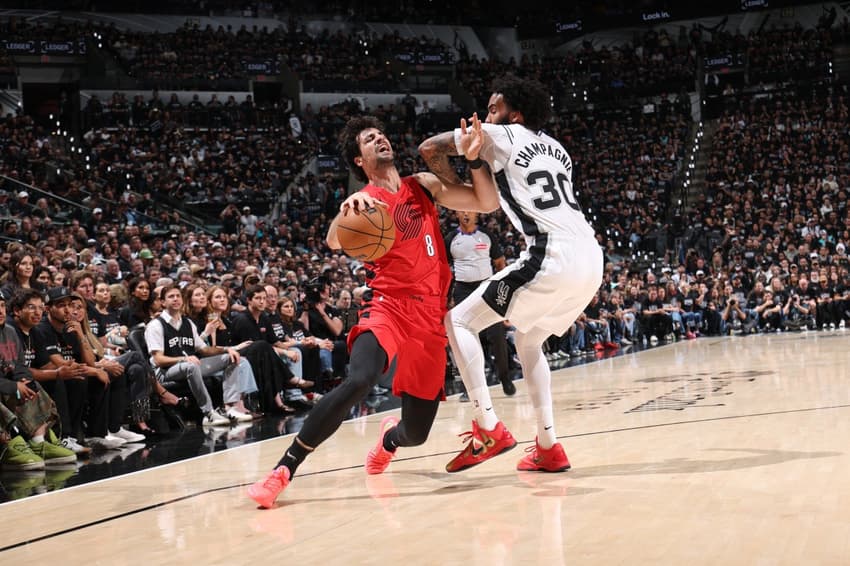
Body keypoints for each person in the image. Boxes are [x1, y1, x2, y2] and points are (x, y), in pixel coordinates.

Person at [248, 114, 499, 508]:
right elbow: (333, 240)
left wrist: (474, 160)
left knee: (415, 434)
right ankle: (282, 470)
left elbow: (486, 202)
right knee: (360, 379)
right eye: (369, 139)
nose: (380, 138)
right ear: (359, 161)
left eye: (381, 133)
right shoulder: (364, 201)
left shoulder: (424, 185)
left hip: (431, 319)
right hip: (388, 307)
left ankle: (388, 440)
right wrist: (346, 208)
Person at [419, 75, 603, 472]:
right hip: (591, 259)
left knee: (459, 321)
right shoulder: (557, 149)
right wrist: (473, 168)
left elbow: (429, 147)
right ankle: (549, 446)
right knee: (529, 338)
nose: (483, 118)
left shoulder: (499, 135)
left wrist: (454, 185)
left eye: (492, 109)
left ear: (513, 114)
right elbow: (493, 199)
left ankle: (488, 427)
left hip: (550, 255)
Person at [444, 210, 514, 399]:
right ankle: (470, 387)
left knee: (497, 335)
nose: (466, 213)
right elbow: (443, 268)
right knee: (466, 339)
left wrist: (500, 288)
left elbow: (500, 263)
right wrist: (448, 295)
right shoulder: (451, 238)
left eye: (470, 210)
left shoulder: (487, 235)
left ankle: (505, 378)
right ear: (457, 214)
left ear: (477, 214)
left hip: (486, 288)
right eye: (462, 210)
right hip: (463, 291)